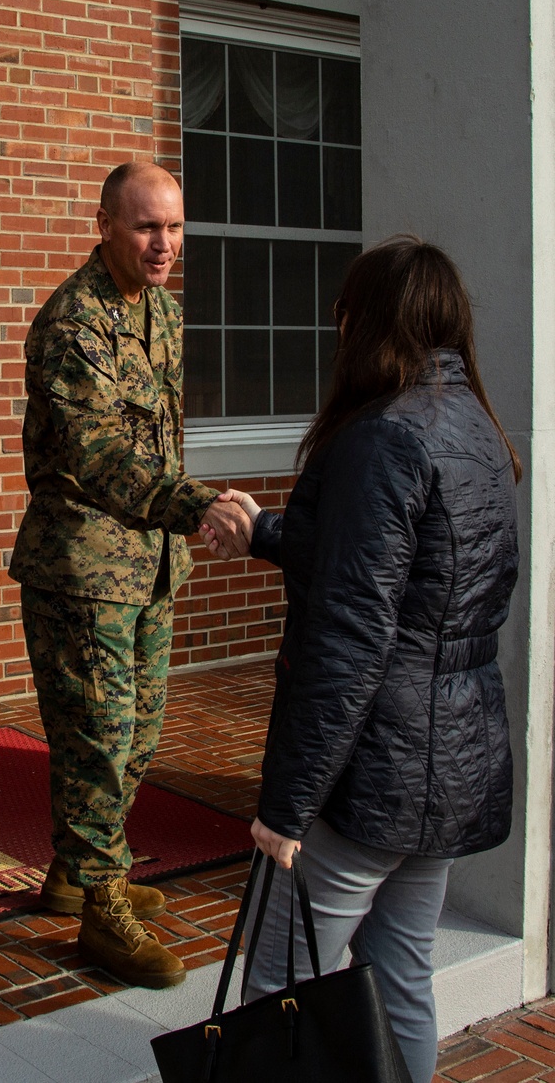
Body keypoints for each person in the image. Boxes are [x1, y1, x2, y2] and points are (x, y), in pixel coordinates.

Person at [202, 235, 520, 1083]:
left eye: (342, 310)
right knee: (400, 974)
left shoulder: (382, 436)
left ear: (366, 320)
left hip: (375, 770)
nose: (334, 324)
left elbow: (354, 633)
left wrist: (286, 805)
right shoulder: (477, 428)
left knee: (276, 989)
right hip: (453, 755)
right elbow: (408, 583)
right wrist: (267, 532)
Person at [10, 160, 253, 989]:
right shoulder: (74, 323)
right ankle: (100, 909)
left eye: (175, 227)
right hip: (81, 567)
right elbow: (102, 457)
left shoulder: (162, 311)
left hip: (148, 566)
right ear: (107, 225)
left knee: (140, 730)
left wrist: (181, 524)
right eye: (148, 226)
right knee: (97, 739)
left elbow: (160, 438)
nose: (164, 244)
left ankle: (76, 872)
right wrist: (197, 505)